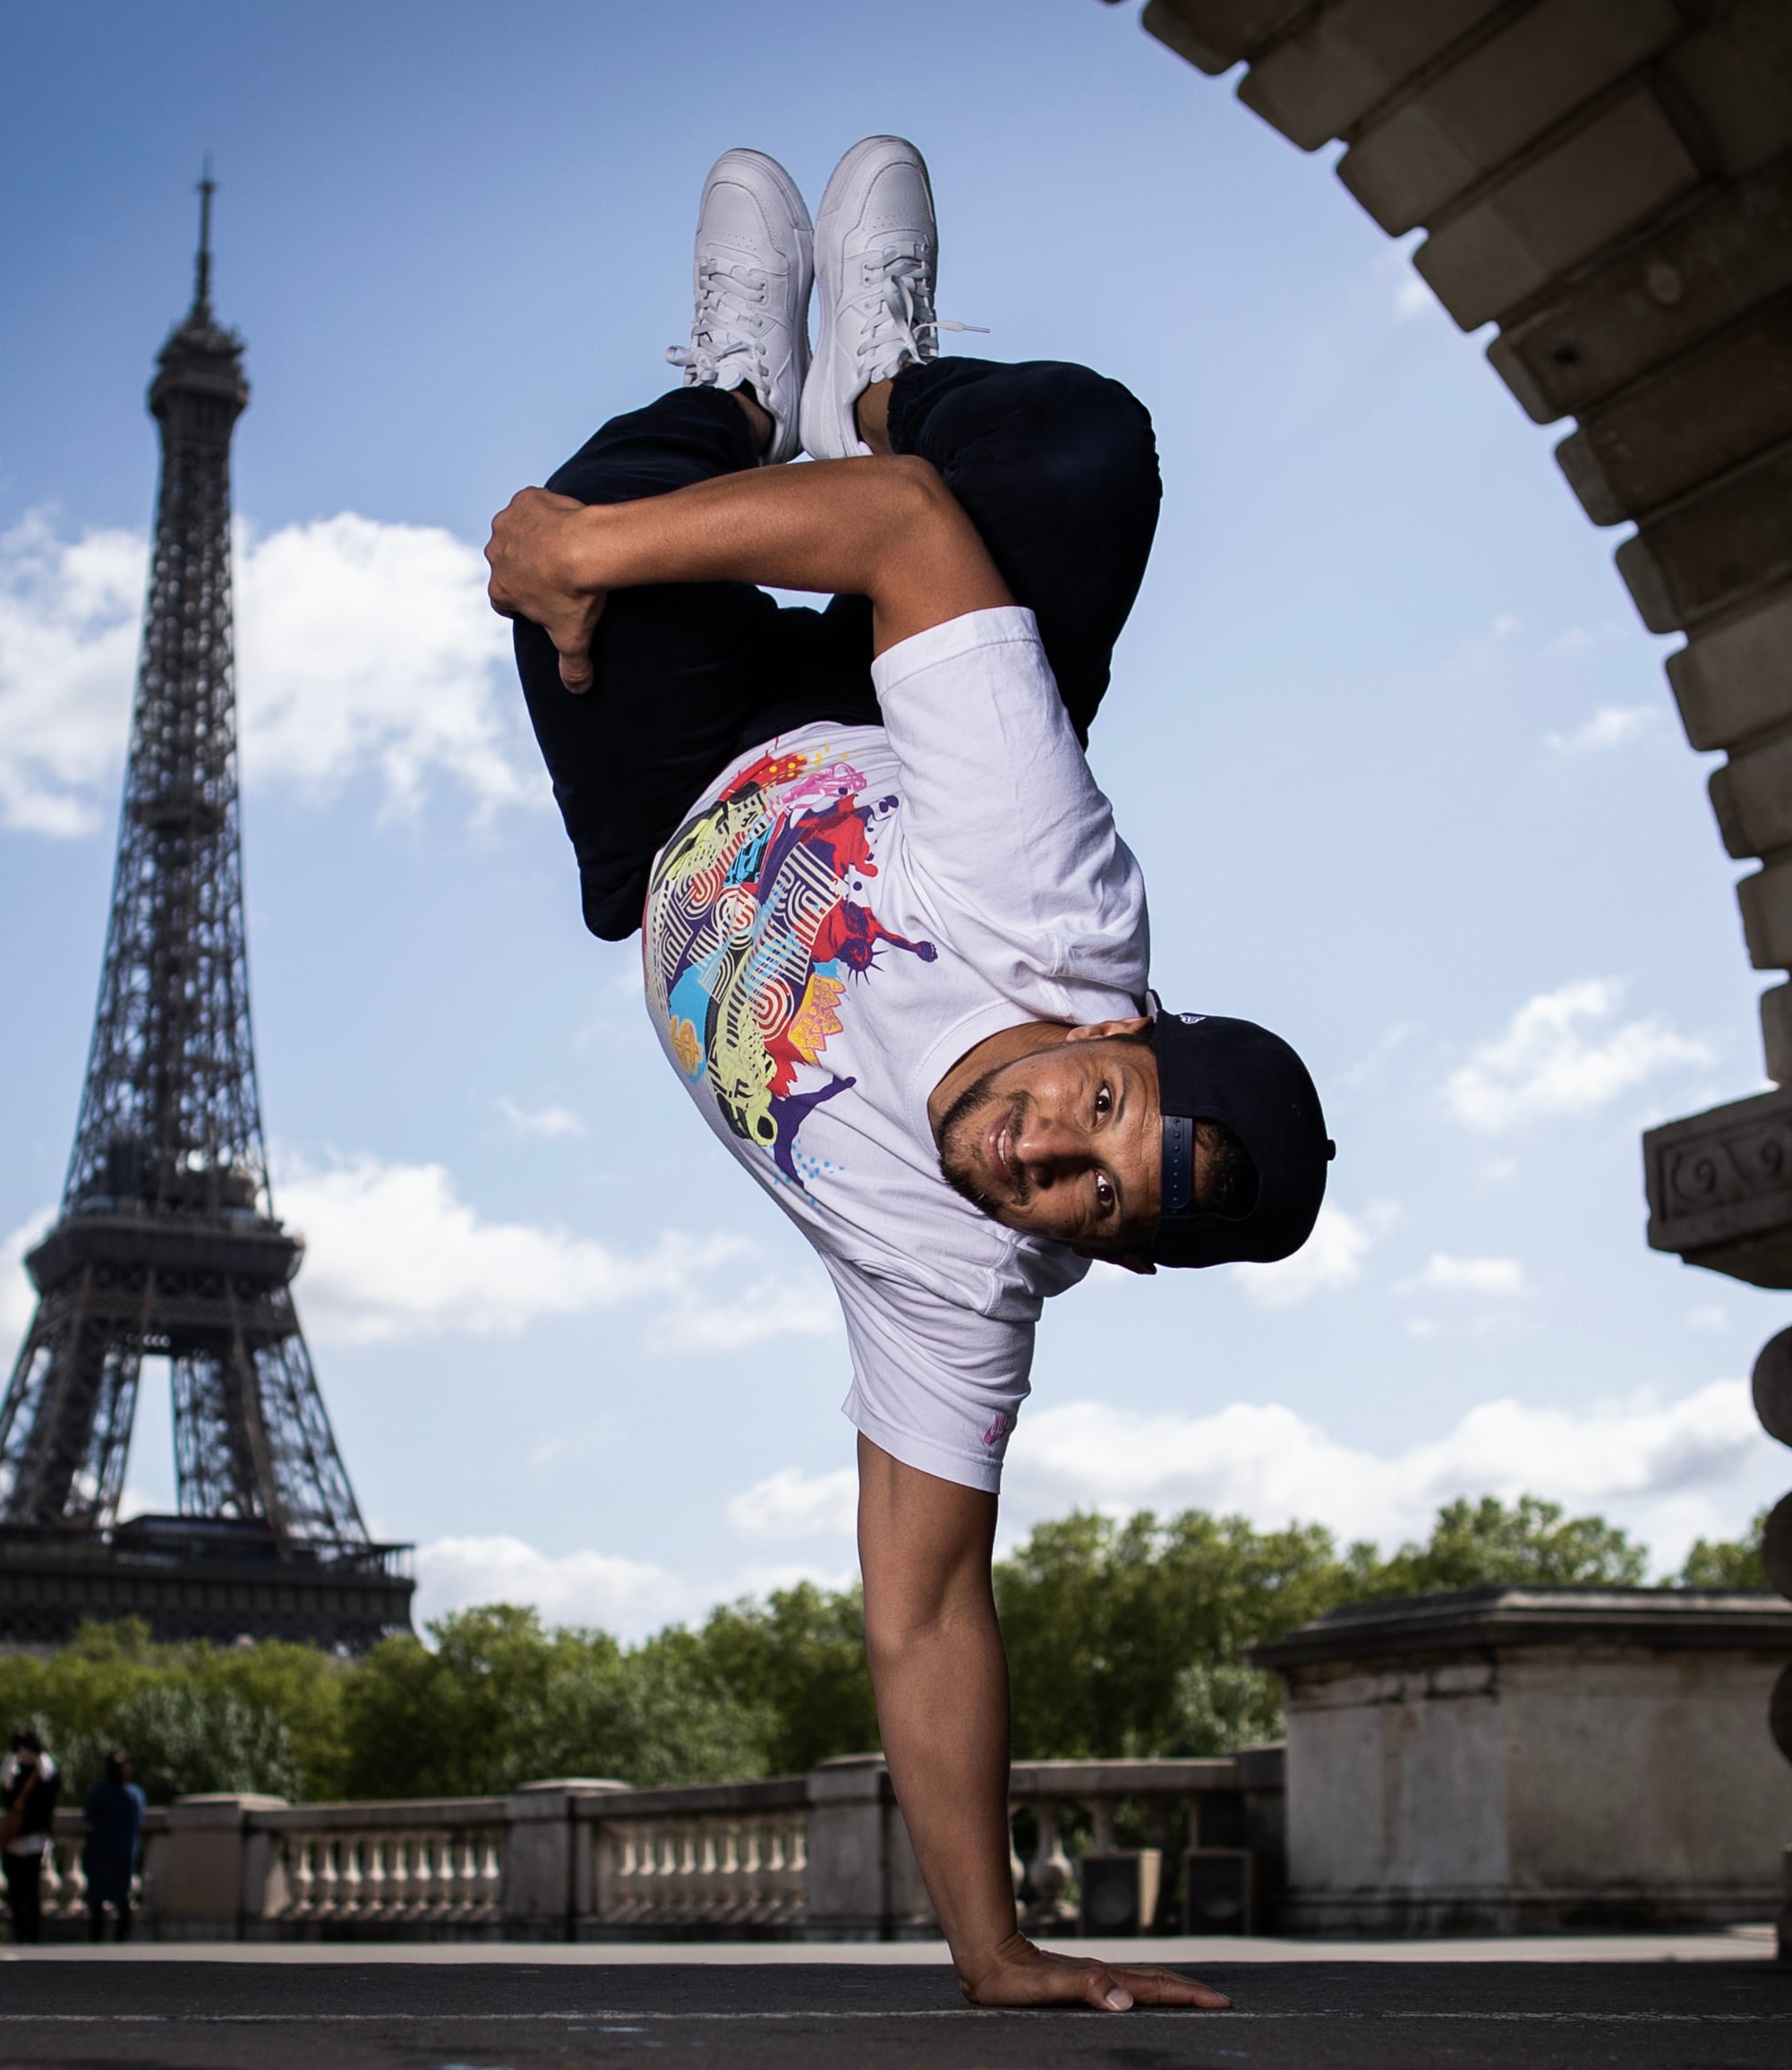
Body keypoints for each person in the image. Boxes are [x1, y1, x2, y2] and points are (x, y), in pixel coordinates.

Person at [486, 140, 1334, 2014]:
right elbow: (886, 536)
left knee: (619, 490)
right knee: (1062, 467)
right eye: (1095, 1111)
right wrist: (578, 561)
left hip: (677, 800)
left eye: (1082, 1201)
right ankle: (859, 374)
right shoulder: (1052, 898)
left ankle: (709, 419)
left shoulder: (956, 1290)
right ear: (1118, 1024)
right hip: (886, 741)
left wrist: (993, 1945)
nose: (1043, 1150)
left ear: (1080, 1253)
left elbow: (929, 1608)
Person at [0, 1727, 61, 1945]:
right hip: (15, 1839)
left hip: (35, 1839)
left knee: (31, 1889)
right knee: (15, 1890)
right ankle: (20, 1933)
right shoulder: (14, 1771)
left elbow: (52, 1788)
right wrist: (11, 1763)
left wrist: (39, 1760)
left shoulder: (44, 1772)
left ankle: (33, 1935)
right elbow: (5, 1793)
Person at [81, 1750, 147, 1943]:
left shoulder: (126, 1793)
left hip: (116, 1849)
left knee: (119, 1896)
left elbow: (90, 1817)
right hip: (109, 1849)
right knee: (102, 1897)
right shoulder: (126, 1793)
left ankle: (117, 1939)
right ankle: (105, 1938)